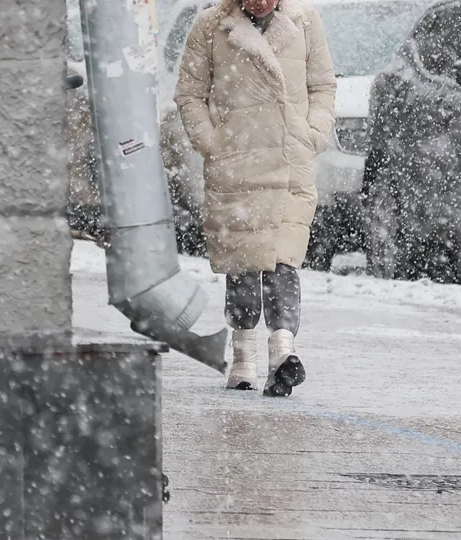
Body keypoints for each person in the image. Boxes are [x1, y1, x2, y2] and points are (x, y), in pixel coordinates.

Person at [174, 0, 336, 396]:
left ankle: (283, 351)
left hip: (288, 159)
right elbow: (189, 93)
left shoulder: (305, 21)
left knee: (283, 259)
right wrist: (213, 143)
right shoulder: (212, 25)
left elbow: (323, 85)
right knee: (243, 263)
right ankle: (243, 361)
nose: (261, 2)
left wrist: (312, 133)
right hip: (238, 160)